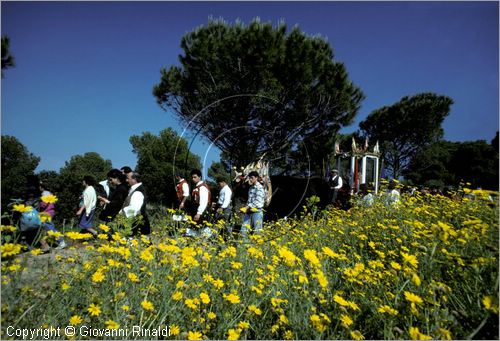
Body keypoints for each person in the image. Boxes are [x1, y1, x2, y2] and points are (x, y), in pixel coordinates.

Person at [120, 172, 151, 236]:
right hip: (135, 225)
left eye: (128, 178)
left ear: (135, 179)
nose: (126, 180)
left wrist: (121, 214)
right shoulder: (134, 189)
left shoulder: (138, 192)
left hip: (136, 227)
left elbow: (133, 210)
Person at [39, 182, 66, 249]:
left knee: (50, 229)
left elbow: (44, 204)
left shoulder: (44, 194)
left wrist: (38, 203)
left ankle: (61, 242)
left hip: (46, 213)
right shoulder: (49, 193)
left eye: (39, 187)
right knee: (48, 228)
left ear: (42, 187)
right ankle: (51, 243)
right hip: (50, 212)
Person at [186, 169, 212, 237]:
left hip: (201, 210)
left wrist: (199, 213)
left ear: (199, 177)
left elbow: (203, 201)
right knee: (195, 226)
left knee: (203, 227)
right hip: (196, 210)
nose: (193, 179)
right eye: (192, 177)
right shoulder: (197, 187)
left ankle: (210, 241)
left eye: (195, 177)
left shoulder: (202, 187)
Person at [241, 171, 266, 240]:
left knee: (257, 232)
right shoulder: (251, 188)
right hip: (249, 211)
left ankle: (257, 249)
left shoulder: (260, 188)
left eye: (252, 178)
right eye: (250, 178)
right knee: (243, 230)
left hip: (257, 211)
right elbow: (249, 201)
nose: (250, 180)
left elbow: (257, 202)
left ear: (256, 178)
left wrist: (247, 207)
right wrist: (246, 208)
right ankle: (243, 248)